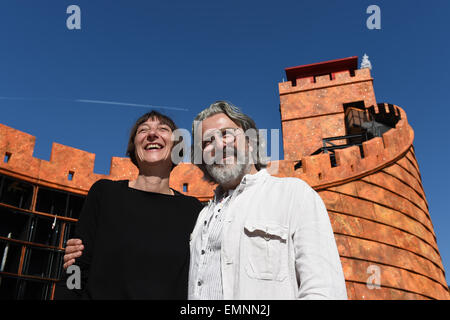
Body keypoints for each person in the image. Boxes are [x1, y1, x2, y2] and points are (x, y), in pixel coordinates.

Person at [64, 101, 348, 300]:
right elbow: (76, 267)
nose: (218, 145)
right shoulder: (202, 216)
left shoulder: (292, 195)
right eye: (208, 141)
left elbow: (323, 289)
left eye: (226, 134)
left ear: (250, 141)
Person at [55, 111, 203, 299]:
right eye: (143, 130)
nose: (152, 134)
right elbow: (75, 267)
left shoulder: (194, 210)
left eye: (163, 129)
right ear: (134, 146)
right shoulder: (104, 194)